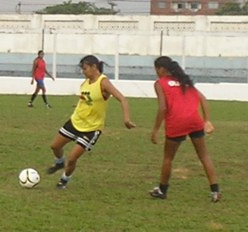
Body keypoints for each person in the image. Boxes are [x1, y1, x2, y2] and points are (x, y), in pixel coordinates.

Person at [46, 55, 136, 189]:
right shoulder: (85, 83)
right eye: (82, 69)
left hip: (91, 128)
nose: (83, 71)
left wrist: (126, 119)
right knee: (54, 146)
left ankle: (64, 180)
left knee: (72, 158)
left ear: (94, 67)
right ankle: (59, 163)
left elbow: (122, 99)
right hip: (75, 121)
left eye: (85, 68)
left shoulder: (103, 82)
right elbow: (85, 99)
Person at [149, 56, 221, 202]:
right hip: (194, 120)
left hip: (177, 122)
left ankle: (162, 190)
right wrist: (206, 120)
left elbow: (163, 107)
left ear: (161, 69)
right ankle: (215, 191)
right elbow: (203, 99)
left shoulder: (160, 83)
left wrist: (156, 129)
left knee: (168, 157)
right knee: (204, 156)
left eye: (156, 69)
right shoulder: (185, 82)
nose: (156, 72)